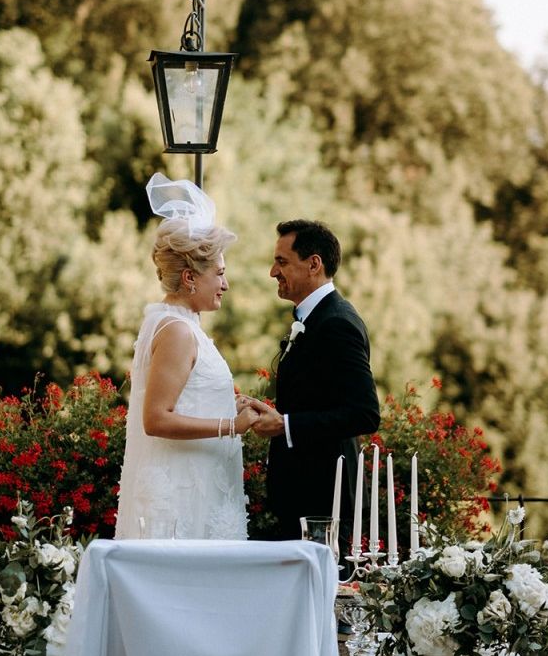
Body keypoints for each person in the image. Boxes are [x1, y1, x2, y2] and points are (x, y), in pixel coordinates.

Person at [114, 173, 258, 540]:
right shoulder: (176, 331)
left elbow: (186, 396)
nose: (225, 284)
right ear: (191, 278)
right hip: (183, 497)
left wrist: (227, 404)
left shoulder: (180, 323)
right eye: (220, 274)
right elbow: (157, 419)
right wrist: (230, 425)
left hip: (199, 482)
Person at [249, 219, 380, 552]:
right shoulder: (312, 318)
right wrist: (277, 414)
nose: (272, 272)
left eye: (281, 262)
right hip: (304, 498)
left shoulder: (336, 323)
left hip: (325, 504)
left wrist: (285, 425)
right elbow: (318, 398)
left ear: (314, 264)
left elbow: (364, 414)